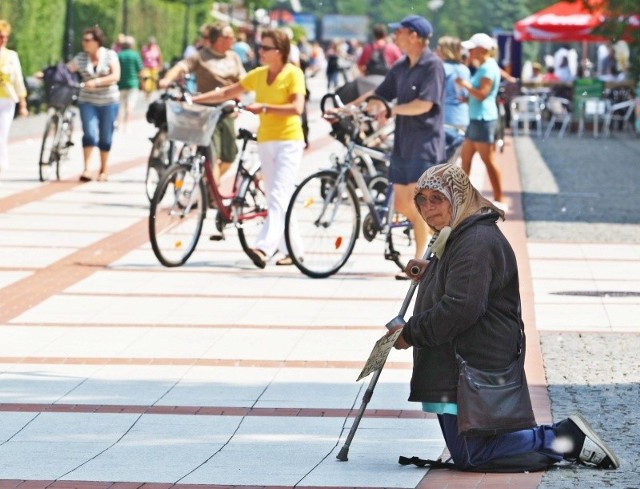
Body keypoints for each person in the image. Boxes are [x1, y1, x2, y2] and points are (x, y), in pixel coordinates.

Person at [389, 162, 620, 473]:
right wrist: (433, 271)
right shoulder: (461, 232)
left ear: (458, 197)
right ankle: (559, 441)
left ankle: (564, 438)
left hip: (471, 363)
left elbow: (460, 307)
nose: (428, 209)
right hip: (463, 358)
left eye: (437, 199)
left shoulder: (474, 242)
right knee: (472, 452)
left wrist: (411, 333)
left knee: (474, 455)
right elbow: (466, 282)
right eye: (422, 199)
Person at [192, 28, 306, 269]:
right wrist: (194, 100)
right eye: (260, 47)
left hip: (289, 141)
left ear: (280, 51)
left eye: (265, 48)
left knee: (277, 194)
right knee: (278, 195)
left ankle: (263, 247)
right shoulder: (258, 74)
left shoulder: (293, 74)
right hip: (266, 141)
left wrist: (263, 107)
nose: (260, 52)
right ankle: (294, 250)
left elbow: (297, 108)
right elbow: (227, 92)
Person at [351, 15, 445, 279]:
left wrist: (390, 109)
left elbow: (424, 105)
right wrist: (349, 108)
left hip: (425, 145)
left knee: (422, 206)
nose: (395, 36)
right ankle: (437, 248)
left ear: (414, 36)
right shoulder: (401, 65)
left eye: (400, 32)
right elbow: (378, 94)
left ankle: (421, 263)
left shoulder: (432, 66)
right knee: (404, 205)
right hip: (403, 144)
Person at [159, 22, 244, 184]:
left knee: (230, 156)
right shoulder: (201, 56)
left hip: (227, 110)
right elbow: (181, 67)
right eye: (229, 36)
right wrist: (166, 80)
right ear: (219, 39)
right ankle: (211, 192)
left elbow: (244, 81)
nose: (233, 39)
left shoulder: (233, 57)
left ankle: (208, 184)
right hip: (206, 111)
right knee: (212, 155)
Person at [454, 33, 505, 209]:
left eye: (472, 48)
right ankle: (462, 198)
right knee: (466, 158)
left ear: (481, 49)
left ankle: (499, 198)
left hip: (483, 119)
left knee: (487, 160)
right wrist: (467, 99)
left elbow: (483, 94)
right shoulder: (485, 66)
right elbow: (481, 95)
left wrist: (465, 85)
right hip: (478, 118)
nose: (469, 51)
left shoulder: (488, 68)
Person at [67, 26, 120, 182]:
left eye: (88, 40)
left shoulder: (110, 55)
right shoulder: (81, 58)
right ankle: (87, 169)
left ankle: (104, 169)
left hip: (109, 101)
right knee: (89, 133)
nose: (84, 43)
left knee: (105, 136)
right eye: (83, 40)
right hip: (87, 101)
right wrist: (48, 73)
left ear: (97, 41)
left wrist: (96, 82)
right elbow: (67, 70)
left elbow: (116, 76)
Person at [0, 19, 29, 175]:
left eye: (5, 36)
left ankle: (2, 164)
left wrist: (23, 103)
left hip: (7, 100)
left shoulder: (11, 56)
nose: (3, 39)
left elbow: (18, 79)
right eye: (0, 36)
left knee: (2, 133)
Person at [436, 36, 469, 132]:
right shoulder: (464, 69)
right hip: (462, 117)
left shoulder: (440, 68)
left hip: (444, 117)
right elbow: (466, 96)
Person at [116, 36, 143, 133]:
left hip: (120, 84)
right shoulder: (135, 55)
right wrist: (142, 83)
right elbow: (140, 70)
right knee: (130, 106)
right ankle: (126, 125)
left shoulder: (119, 55)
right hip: (133, 84)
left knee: (120, 106)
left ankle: (118, 124)